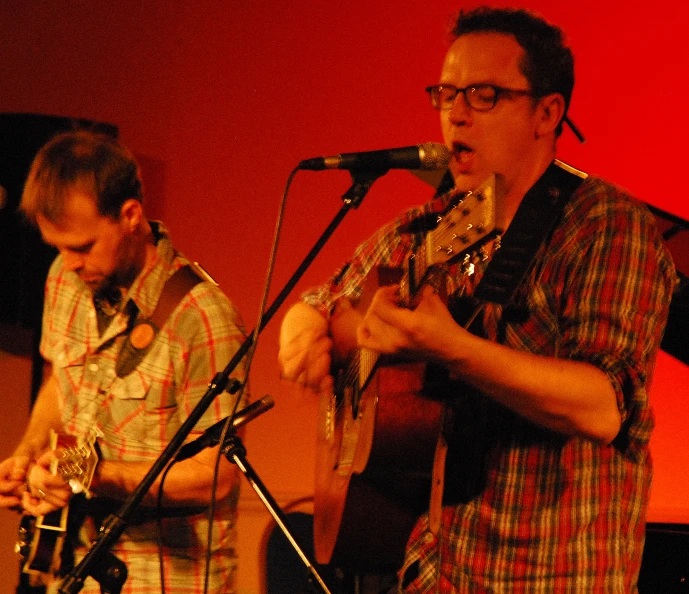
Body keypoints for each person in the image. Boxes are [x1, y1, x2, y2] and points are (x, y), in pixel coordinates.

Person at [278, 6, 677, 592]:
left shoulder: (607, 227)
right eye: (446, 94)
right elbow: (319, 299)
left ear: (548, 113)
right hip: (438, 566)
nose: (456, 114)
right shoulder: (431, 226)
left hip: (554, 573)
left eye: (484, 95)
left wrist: (453, 349)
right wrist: (306, 334)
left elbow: (602, 406)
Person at [0, 130, 247, 593]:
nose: (68, 263)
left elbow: (217, 478)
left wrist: (89, 474)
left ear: (131, 215)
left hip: (169, 576)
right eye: (58, 248)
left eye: (82, 247)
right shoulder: (64, 281)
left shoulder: (204, 318)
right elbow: (61, 382)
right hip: (74, 564)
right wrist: (30, 452)